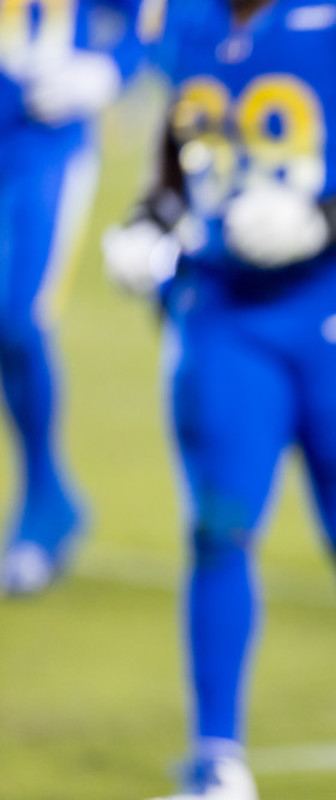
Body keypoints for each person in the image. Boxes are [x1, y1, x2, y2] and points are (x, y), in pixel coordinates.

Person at [101, 1, 336, 797]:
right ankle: (215, 757)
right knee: (217, 524)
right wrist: (149, 220)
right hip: (221, 308)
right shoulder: (185, 19)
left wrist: (326, 219)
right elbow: (182, 156)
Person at [0, 0, 145, 595]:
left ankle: (44, 500)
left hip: (41, 146)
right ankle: (52, 499)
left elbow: (157, 18)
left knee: (16, 321)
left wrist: (109, 68)